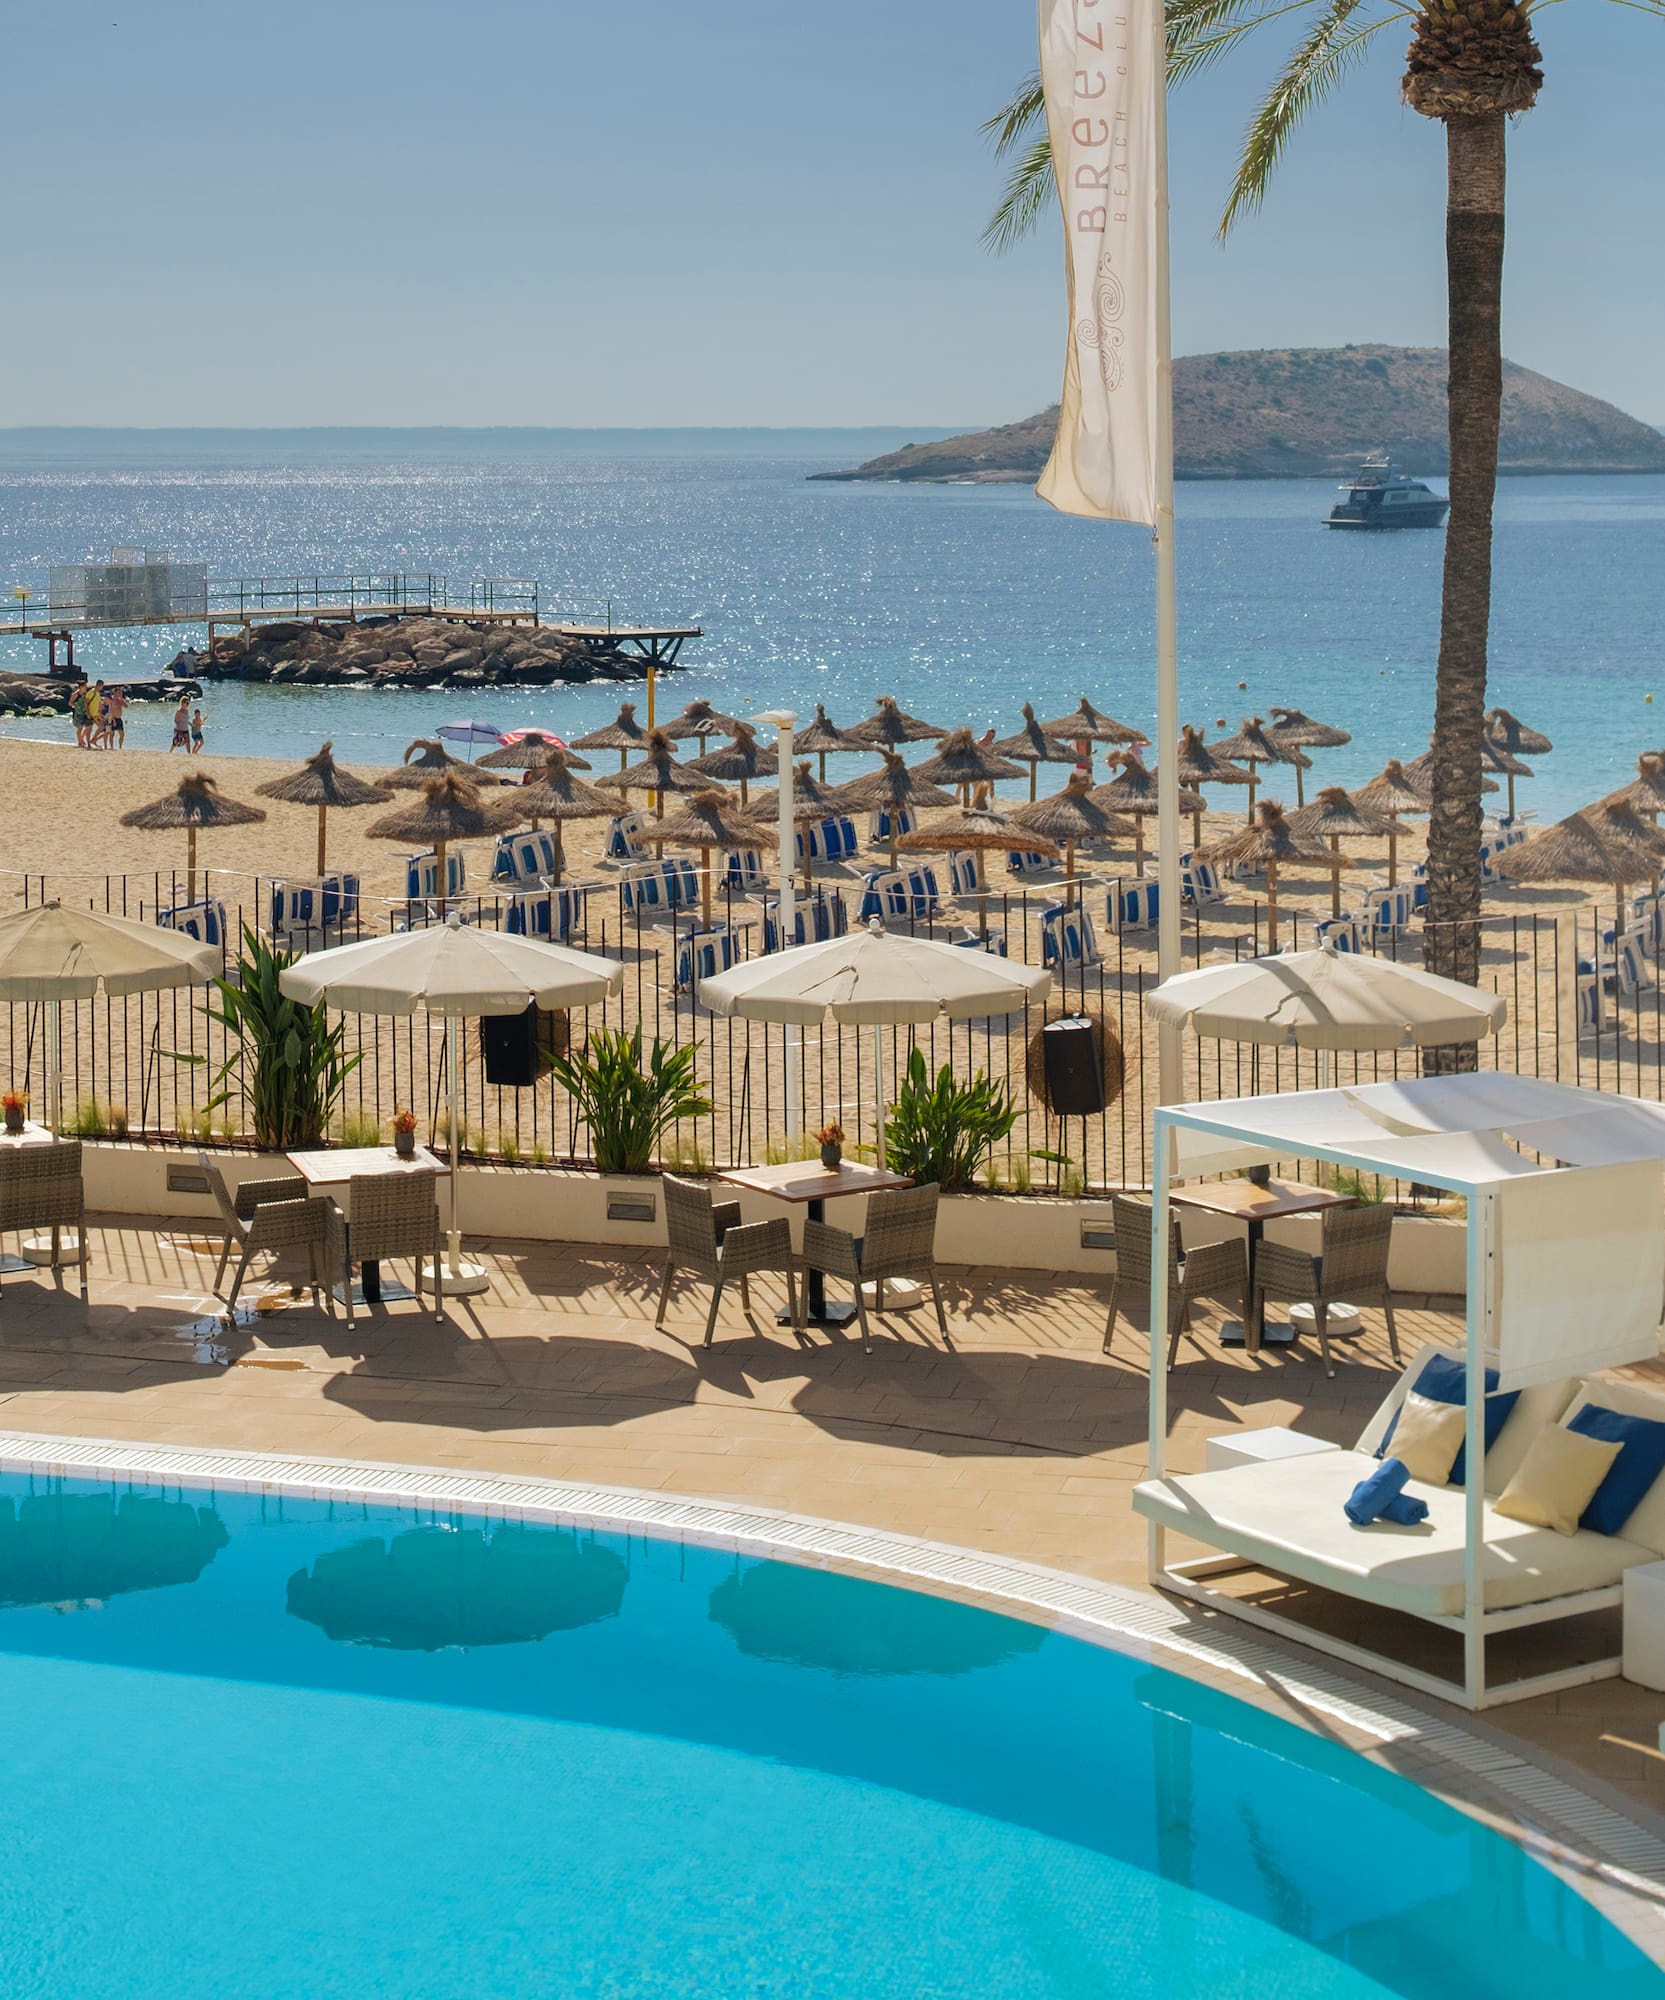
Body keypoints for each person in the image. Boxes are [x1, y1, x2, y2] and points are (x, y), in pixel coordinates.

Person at [70, 682, 90, 749]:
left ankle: (81, 740)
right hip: (77, 713)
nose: (86, 687)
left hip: (84, 712)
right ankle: (80, 742)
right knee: (80, 728)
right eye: (85, 686)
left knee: (88, 726)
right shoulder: (76, 694)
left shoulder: (85, 693)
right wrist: (77, 706)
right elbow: (70, 703)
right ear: (81, 687)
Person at [85, 681, 105, 750]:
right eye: (102, 686)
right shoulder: (91, 692)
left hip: (96, 714)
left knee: (101, 727)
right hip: (90, 714)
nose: (102, 687)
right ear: (99, 685)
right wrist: (87, 713)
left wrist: (100, 713)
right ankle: (88, 744)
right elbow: (86, 703)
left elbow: (98, 704)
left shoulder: (97, 693)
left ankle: (93, 740)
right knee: (89, 729)